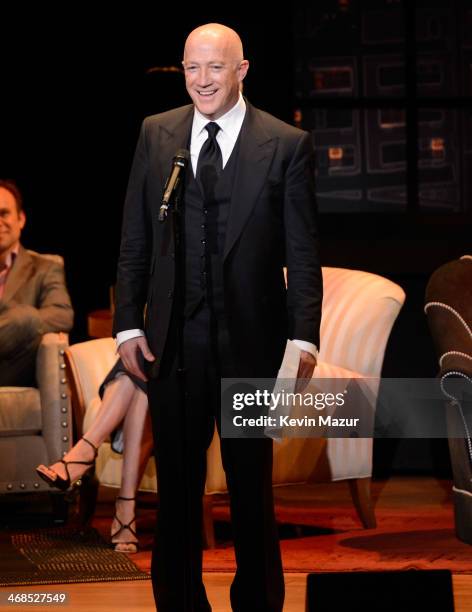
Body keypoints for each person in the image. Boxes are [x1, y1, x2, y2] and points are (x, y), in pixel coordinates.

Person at [114, 23, 322, 611]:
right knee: (178, 485)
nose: (201, 81)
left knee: (250, 486)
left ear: (242, 70)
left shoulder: (285, 144)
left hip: (252, 342)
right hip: (176, 341)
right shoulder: (158, 134)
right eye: (191, 68)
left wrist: (303, 340)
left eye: (214, 68)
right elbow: (134, 235)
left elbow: (303, 254)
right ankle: (180, 603)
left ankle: (257, 603)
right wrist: (129, 323)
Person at [36, 360, 153, 553]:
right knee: (136, 375)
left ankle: (84, 453)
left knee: (139, 375)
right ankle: (126, 508)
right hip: (151, 378)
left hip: (190, 386)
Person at [0, 179, 74, 386]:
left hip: (13, 371)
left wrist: (21, 320)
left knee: (26, 322)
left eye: (4, 213)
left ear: (20, 219)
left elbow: (62, 315)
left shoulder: (45, 267)